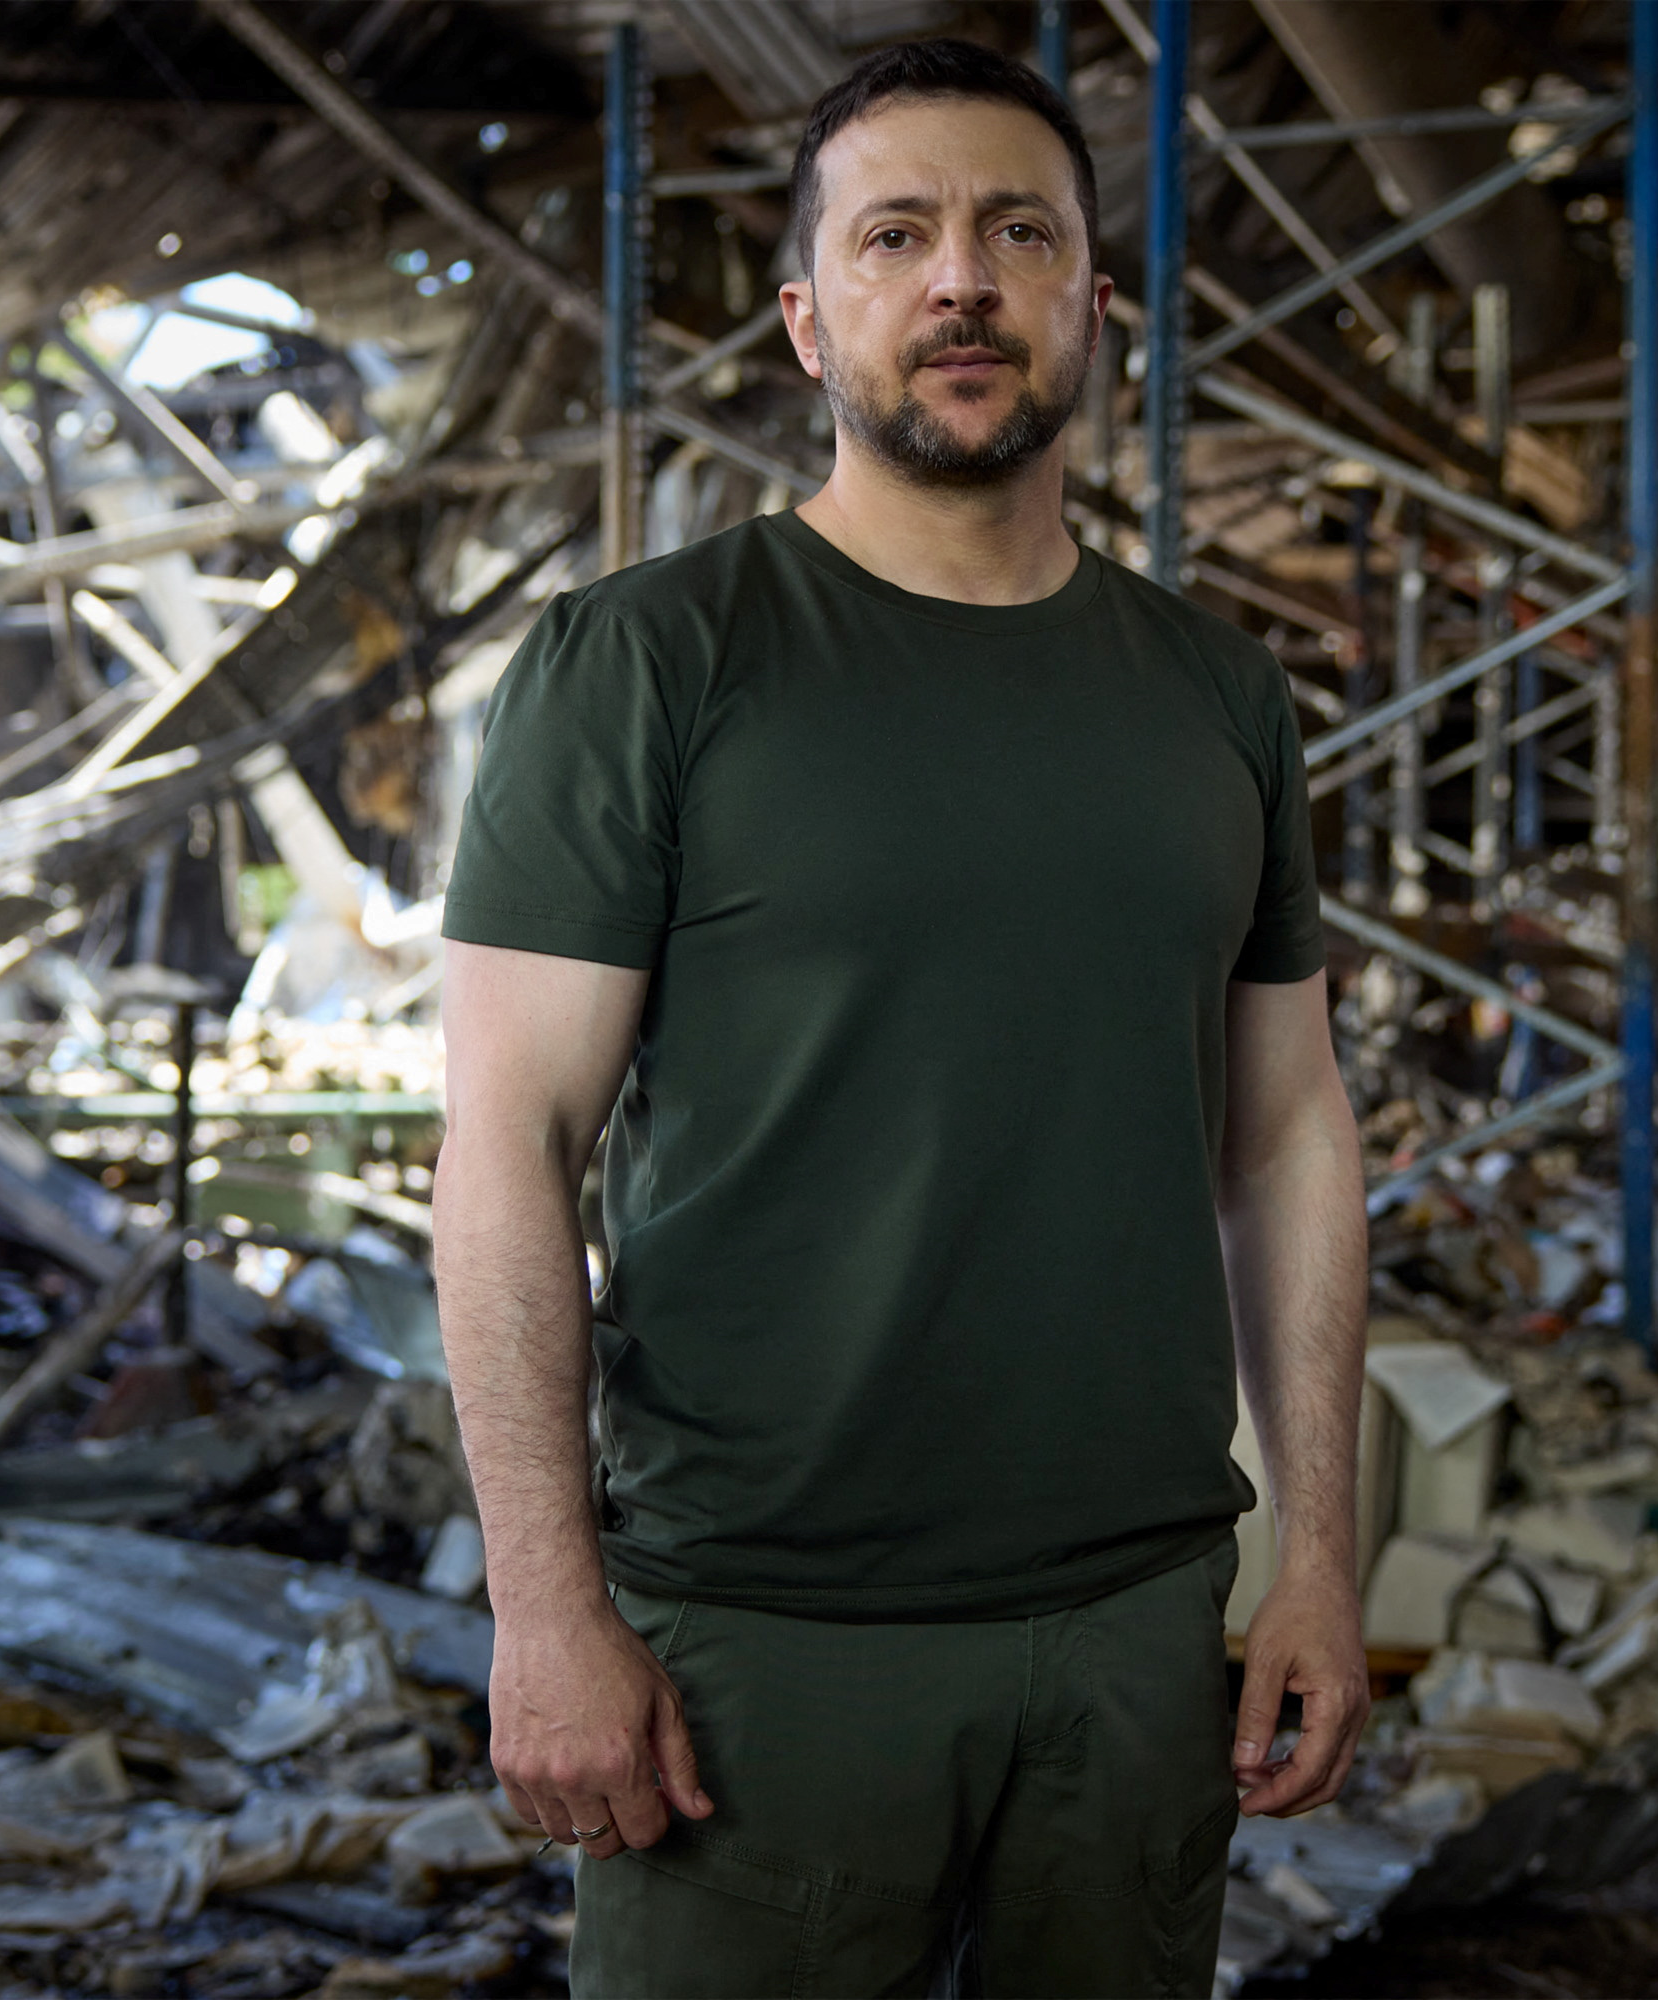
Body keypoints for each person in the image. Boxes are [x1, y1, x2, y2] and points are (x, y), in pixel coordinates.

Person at [433, 36, 1369, 1997]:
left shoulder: (1218, 696)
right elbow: (510, 1143)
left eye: (1019, 234)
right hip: (761, 1640)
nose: (961, 280)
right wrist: (545, 1607)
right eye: (896, 235)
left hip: (1136, 1626)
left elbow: (1287, 1135)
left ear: (1093, 305)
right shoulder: (647, 661)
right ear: (808, 318)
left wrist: (1320, 1555)